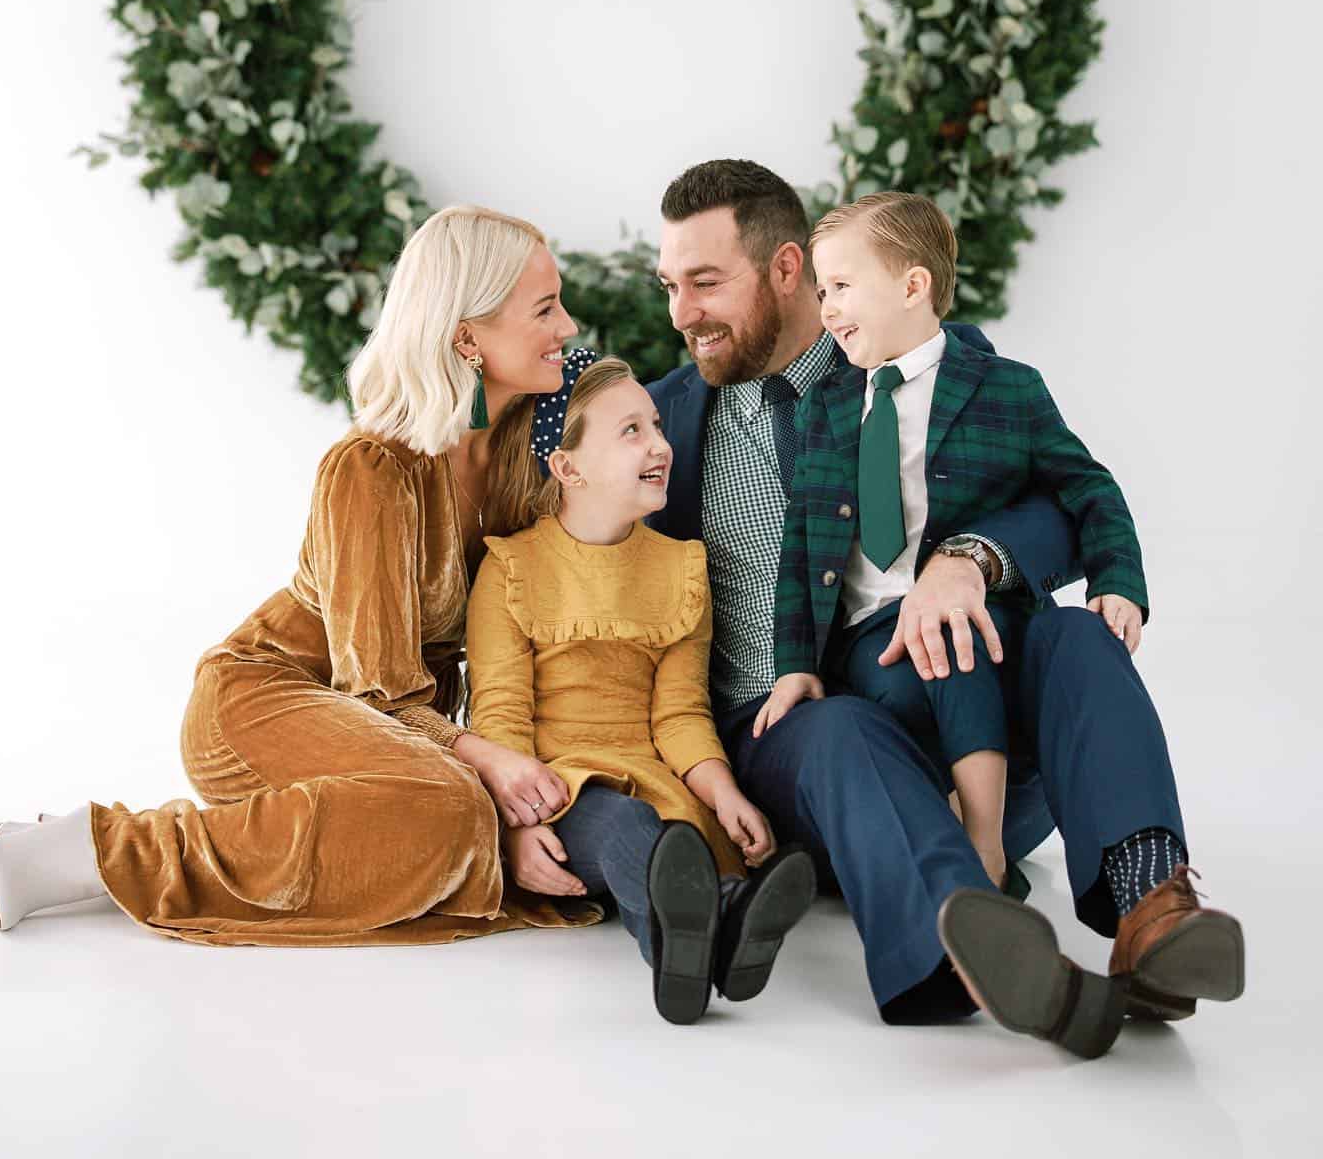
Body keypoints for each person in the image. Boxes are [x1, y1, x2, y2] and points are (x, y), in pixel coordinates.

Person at [647, 159, 1244, 1057]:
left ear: (788, 270)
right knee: (840, 726)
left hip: (983, 719)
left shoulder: (953, 368)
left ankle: (1155, 910)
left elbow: (1058, 496)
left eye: (704, 282)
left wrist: (969, 560)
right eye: (669, 285)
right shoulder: (656, 424)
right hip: (805, 727)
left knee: (1075, 634)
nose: (681, 313)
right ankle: (968, 947)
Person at [0, 205, 604, 947]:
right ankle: (98, 850)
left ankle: (140, 845)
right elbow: (377, 693)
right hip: (263, 698)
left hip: (393, 741)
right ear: (468, 334)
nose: (568, 325)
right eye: (545, 307)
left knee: (449, 806)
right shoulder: (374, 466)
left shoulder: (519, 464)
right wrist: (486, 773)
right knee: (450, 807)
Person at [754, 192, 1150, 893]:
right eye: (822, 291)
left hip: (978, 614)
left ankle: (989, 845)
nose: (828, 310)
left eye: (842, 287)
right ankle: (977, 854)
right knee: (936, 646)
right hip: (869, 640)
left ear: (913, 285)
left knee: (954, 633)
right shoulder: (829, 405)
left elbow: (1086, 487)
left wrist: (1116, 581)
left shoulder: (1008, 390)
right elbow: (799, 542)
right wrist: (793, 664)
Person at [469, 355, 816, 1024]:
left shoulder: (681, 566)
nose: (660, 444)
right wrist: (519, 827)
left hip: (655, 782)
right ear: (568, 468)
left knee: (667, 826)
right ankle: (712, 918)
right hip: (558, 791)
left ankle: (693, 947)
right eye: (631, 431)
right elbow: (501, 719)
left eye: (655, 423)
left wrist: (725, 793)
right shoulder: (511, 567)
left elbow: (682, 714)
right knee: (628, 827)